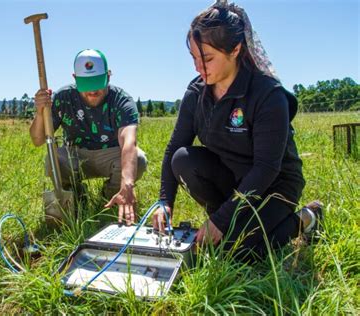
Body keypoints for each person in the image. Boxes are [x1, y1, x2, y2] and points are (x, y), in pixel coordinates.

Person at [152, 1, 322, 261]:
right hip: (232, 177)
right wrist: (165, 201)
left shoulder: (267, 95)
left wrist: (221, 220)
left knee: (237, 251)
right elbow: (175, 147)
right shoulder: (196, 92)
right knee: (183, 159)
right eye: (194, 59)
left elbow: (266, 168)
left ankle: (308, 217)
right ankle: (231, 223)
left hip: (273, 185)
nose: (199, 67)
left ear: (235, 49)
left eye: (207, 58)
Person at [30, 49, 147, 226]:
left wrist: (128, 184)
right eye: (86, 84)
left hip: (111, 154)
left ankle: (110, 200)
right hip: (75, 154)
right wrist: (40, 113)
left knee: (137, 158)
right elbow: (38, 140)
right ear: (75, 78)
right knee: (52, 160)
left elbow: (129, 142)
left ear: (108, 76)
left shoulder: (122, 100)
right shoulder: (63, 98)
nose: (92, 91)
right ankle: (77, 198)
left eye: (97, 82)